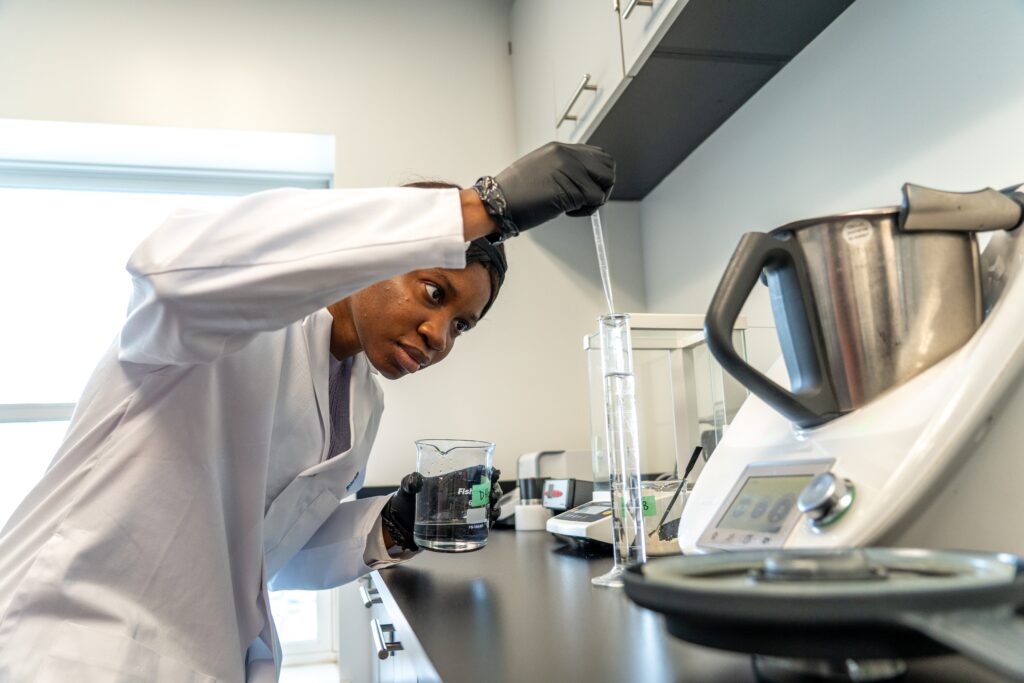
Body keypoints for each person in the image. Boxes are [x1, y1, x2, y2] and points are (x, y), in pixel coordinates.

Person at [0, 141, 615, 682]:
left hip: (204, 658)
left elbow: (268, 553)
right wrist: (483, 206)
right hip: (74, 644)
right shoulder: (225, 328)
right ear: (373, 253)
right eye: (433, 292)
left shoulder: (362, 400)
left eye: (461, 325)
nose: (438, 336)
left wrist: (391, 526)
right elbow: (170, 270)